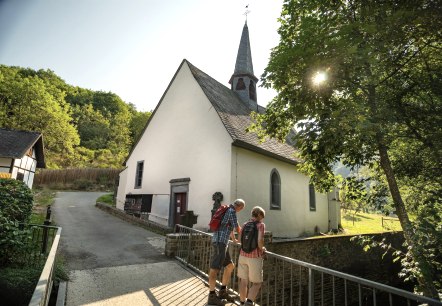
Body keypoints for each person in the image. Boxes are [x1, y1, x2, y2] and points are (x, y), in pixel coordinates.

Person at [208, 199, 245, 306]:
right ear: (240, 207)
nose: (240, 210)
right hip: (220, 242)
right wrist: (243, 239)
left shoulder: (228, 209)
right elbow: (237, 228)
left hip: (220, 242)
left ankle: (223, 291)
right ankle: (211, 296)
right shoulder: (232, 211)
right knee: (214, 268)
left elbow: (230, 227)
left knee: (230, 266)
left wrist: (234, 240)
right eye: (241, 209)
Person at [238, 206, 266, 306]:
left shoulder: (245, 224)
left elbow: (239, 239)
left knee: (243, 281)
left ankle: (241, 303)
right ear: (259, 215)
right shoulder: (260, 225)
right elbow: (259, 241)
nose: (262, 218)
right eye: (262, 216)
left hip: (242, 255)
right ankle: (248, 303)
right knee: (257, 283)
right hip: (254, 257)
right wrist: (263, 249)